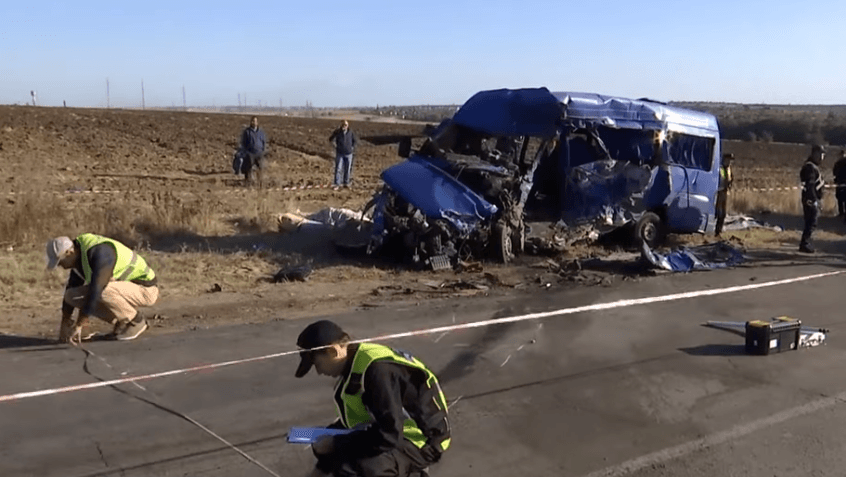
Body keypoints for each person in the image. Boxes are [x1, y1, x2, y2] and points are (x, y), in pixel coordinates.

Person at [295, 320, 451, 477]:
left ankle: (412, 470)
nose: (319, 372)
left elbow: (389, 435)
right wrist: (324, 459)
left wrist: (336, 443)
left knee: (357, 466)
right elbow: (357, 419)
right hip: (394, 429)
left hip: (422, 440)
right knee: (325, 443)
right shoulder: (355, 363)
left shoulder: (377, 372)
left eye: (317, 364)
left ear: (333, 352)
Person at [45, 233, 159, 343]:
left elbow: (97, 289)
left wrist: (80, 322)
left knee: (102, 290)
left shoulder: (100, 252)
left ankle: (136, 320)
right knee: (71, 296)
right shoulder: (79, 258)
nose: (60, 266)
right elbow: (72, 287)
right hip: (124, 289)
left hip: (146, 290)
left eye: (60, 261)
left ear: (69, 252)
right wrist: (65, 320)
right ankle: (120, 322)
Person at [799, 145, 826, 253]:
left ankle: (806, 242)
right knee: (811, 222)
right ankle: (805, 243)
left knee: (810, 222)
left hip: (811, 198)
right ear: (814, 153)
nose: (821, 157)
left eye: (823, 155)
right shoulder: (810, 167)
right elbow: (810, 185)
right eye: (820, 154)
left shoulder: (812, 167)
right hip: (810, 199)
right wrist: (813, 200)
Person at [238, 116, 267, 187]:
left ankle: (260, 183)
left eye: (256, 121)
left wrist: (263, 150)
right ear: (251, 122)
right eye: (253, 121)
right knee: (249, 169)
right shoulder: (247, 132)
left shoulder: (261, 132)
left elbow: (263, 141)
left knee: (260, 168)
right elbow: (243, 142)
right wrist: (246, 152)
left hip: (259, 153)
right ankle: (248, 183)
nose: (254, 122)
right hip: (250, 154)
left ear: (257, 122)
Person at [329, 120, 357, 189]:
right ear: (341, 125)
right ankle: (337, 184)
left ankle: (346, 183)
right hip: (340, 153)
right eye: (343, 125)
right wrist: (335, 146)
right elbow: (331, 139)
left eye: (346, 125)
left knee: (347, 169)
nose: (344, 126)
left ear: (348, 126)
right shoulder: (338, 132)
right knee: (338, 168)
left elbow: (354, 141)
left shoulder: (350, 132)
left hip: (349, 154)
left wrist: (351, 148)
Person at [715, 153, 735, 236]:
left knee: (723, 213)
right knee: (717, 212)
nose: (730, 161)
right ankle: (715, 229)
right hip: (719, 192)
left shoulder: (729, 168)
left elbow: (731, 178)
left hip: (725, 192)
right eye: (728, 159)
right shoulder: (720, 168)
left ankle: (719, 231)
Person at [832, 148, 846, 218]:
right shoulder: (838, 163)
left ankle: (842, 213)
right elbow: (834, 172)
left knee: (842, 198)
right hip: (840, 182)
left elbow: (834, 171)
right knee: (839, 198)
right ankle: (841, 213)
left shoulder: (838, 163)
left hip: (842, 182)